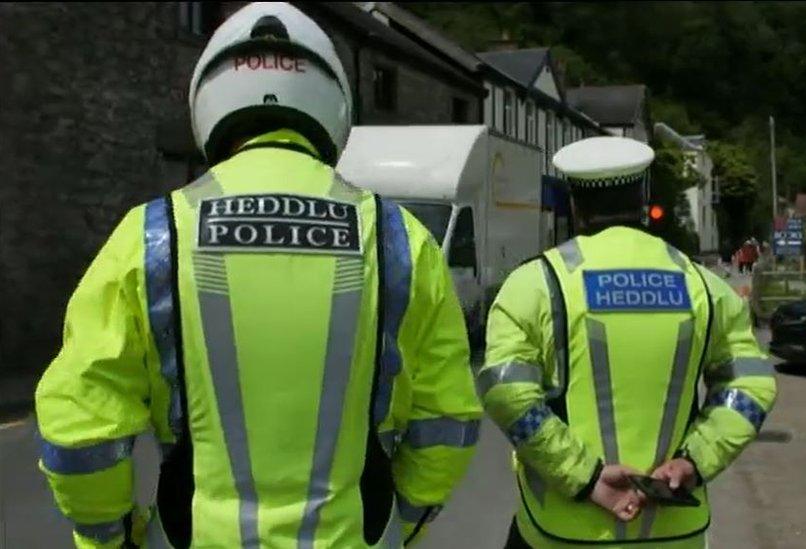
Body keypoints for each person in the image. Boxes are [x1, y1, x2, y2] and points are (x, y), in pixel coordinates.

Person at [35, 3, 482, 548]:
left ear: (206, 103)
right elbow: (447, 421)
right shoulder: (399, 239)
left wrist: (108, 536)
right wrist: (401, 524)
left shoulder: (152, 234)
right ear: (335, 105)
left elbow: (80, 429)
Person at [477, 136, 777, 548]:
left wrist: (584, 476)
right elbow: (751, 387)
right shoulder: (704, 286)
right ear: (644, 199)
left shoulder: (534, 285)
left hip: (559, 532)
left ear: (574, 204)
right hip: (673, 533)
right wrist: (693, 463)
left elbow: (507, 394)